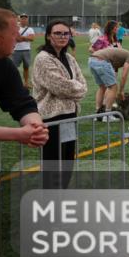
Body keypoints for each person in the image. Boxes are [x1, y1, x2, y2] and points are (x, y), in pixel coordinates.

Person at [31, 19, 87, 188]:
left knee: (68, 161)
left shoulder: (68, 57)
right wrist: (76, 88)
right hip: (51, 119)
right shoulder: (43, 59)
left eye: (66, 33)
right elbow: (60, 86)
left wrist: (76, 88)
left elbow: (83, 84)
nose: (63, 36)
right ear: (49, 36)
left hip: (69, 116)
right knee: (53, 164)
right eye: (58, 33)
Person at [0, 8, 48, 146]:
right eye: (14, 33)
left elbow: (22, 103)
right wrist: (17, 134)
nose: (18, 38)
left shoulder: (2, 64)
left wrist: (35, 127)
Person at [89, 45, 129, 117]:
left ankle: (98, 113)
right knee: (114, 87)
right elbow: (124, 75)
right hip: (102, 60)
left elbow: (114, 72)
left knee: (102, 87)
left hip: (91, 60)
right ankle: (107, 115)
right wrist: (121, 91)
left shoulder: (120, 55)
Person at [11, 13, 36, 88]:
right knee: (14, 68)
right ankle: (14, 83)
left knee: (26, 68)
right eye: (22, 18)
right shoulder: (16, 28)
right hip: (16, 50)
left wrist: (21, 38)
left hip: (26, 50)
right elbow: (15, 38)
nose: (24, 20)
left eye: (25, 18)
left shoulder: (30, 29)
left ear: (27, 20)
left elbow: (32, 38)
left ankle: (26, 83)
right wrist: (26, 38)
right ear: (20, 19)